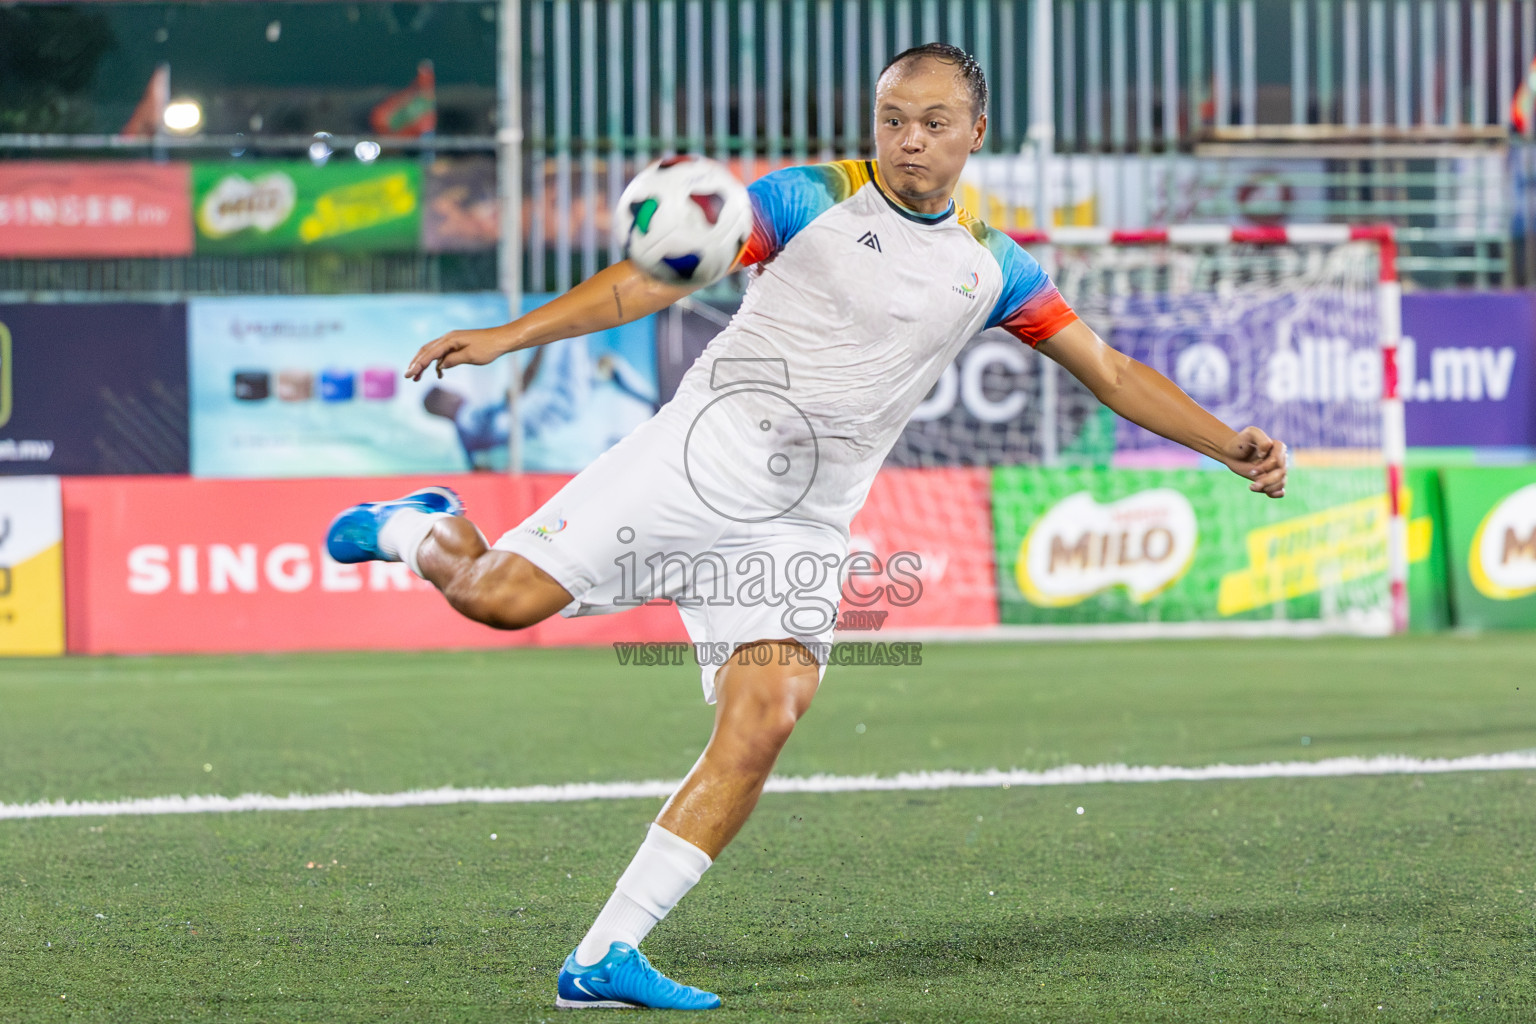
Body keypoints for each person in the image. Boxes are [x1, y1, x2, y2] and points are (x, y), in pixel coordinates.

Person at [326, 43, 1288, 1011]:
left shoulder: (992, 266)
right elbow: (649, 281)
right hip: (693, 460)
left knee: (769, 713)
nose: (910, 140)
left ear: (975, 133)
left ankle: (604, 952)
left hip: (802, 524)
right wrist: (507, 335)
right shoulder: (806, 200)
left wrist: (1227, 444)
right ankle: (419, 526)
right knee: (497, 597)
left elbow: (1112, 372)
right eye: (893, 119)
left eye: (934, 123)